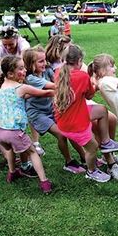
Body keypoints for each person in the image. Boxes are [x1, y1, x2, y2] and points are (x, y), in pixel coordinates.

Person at [54, 44, 118, 183]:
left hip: (66, 118)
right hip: (75, 123)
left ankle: (106, 142)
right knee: (92, 147)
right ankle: (91, 171)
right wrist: (95, 84)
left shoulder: (58, 72)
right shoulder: (81, 76)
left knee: (101, 110)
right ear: (79, 61)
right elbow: (89, 96)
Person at [0, 55, 53, 194]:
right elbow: (45, 93)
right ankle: (45, 182)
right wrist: (61, 91)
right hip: (11, 130)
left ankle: (12, 173)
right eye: (21, 68)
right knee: (32, 152)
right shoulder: (21, 87)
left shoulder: (1, 88)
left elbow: (24, 96)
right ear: (10, 73)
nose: (24, 71)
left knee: (10, 150)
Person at [23, 46, 86, 174]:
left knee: (70, 129)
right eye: (40, 61)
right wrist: (76, 81)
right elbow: (54, 86)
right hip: (37, 113)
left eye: (45, 60)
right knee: (62, 134)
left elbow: (57, 78)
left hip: (52, 108)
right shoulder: (31, 79)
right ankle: (69, 162)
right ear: (31, 64)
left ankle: (85, 157)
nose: (45, 63)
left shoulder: (47, 71)